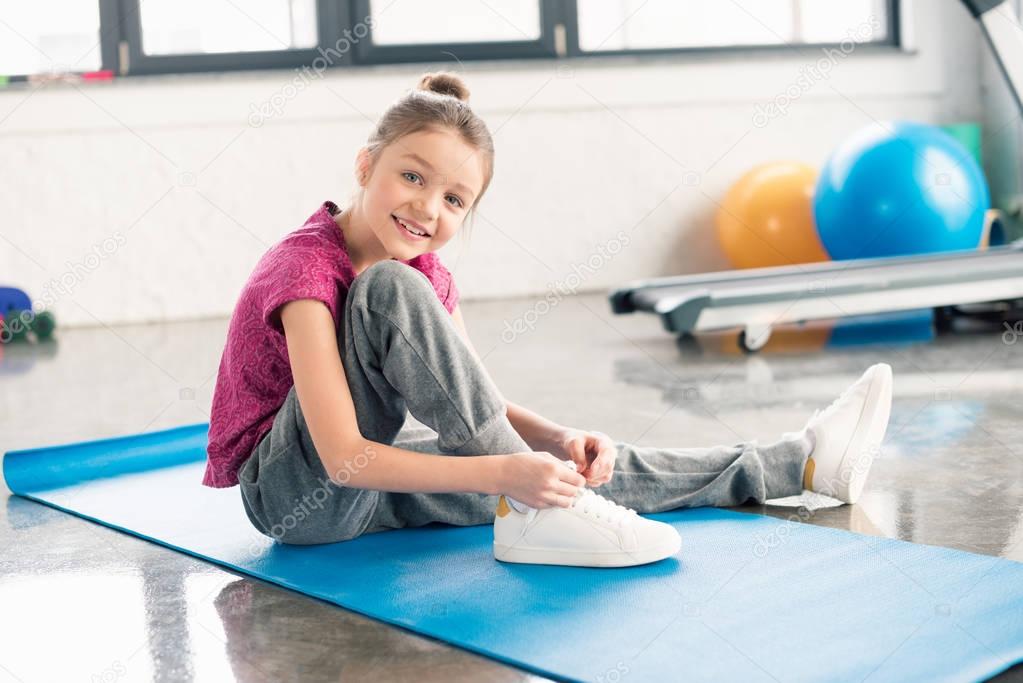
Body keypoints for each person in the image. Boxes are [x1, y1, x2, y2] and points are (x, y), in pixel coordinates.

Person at [203, 71, 894, 568]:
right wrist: (506, 473)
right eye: (411, 177)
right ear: (364, 164)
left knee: (562, 471)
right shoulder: (309, 272)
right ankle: (538, 513)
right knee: (514, 466)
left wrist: (555, 441)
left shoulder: (424, 273)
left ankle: (794, 463)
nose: (426, 209)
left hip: (362, 493)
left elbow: (472, 404)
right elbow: (344, 458)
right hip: (299, 494)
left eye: (452, 199)